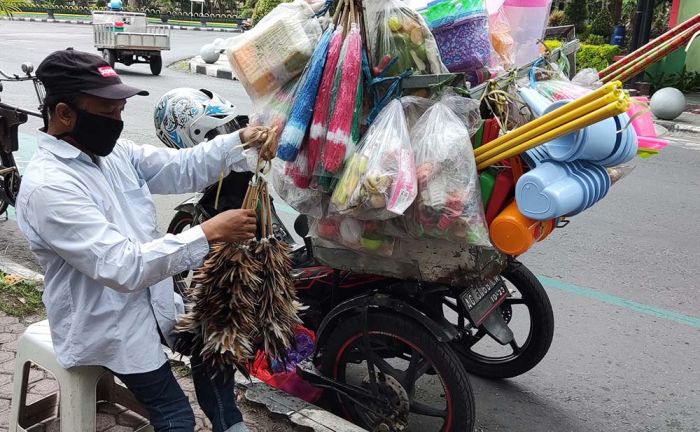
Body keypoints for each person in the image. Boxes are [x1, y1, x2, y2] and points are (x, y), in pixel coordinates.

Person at [15, 48, 264, 432]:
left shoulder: (111, 154)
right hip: (108, 322)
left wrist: (239, 142)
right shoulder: (50, 187)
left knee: (214, 345)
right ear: (65, 114)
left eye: (120, 111)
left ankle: (229, 424)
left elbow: (180, 167)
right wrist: (210, 231)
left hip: (152, 303)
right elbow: (124, 266)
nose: (118, 121)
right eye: (108, 112)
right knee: (176, 417)